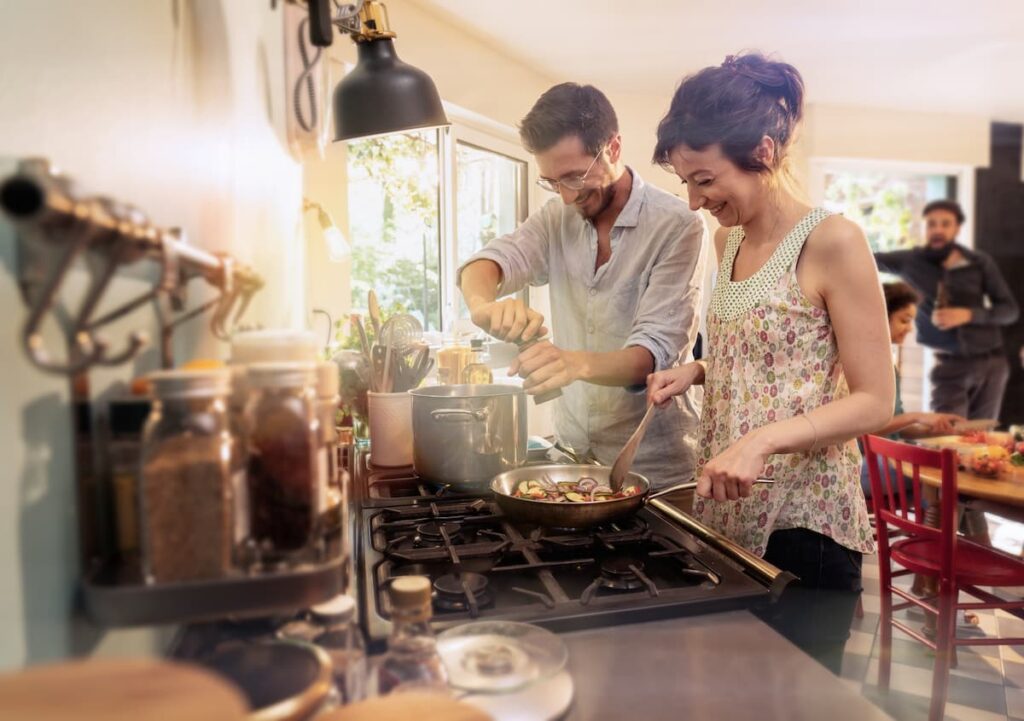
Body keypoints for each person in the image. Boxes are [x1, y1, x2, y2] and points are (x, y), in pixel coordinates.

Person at [647, 52, 894, 674]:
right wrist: (697, 371)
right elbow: (767, 349)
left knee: (796, 702)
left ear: (762, 150)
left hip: (804, 520)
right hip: (727, 510)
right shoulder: (727, 239)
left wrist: (760, 441)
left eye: (704, 179)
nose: (696, 201)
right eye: (687, 183)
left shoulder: (832, 240)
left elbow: (874, 399)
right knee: (730, 689)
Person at [458, 83, 708, 487]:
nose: (566, 196)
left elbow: (654, 354)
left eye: (575, 176)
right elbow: (490, 262)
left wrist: (574, 363)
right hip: (573, 457)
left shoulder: (679, 224)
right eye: (552, 181)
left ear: (612, 148)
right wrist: (482, 305)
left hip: (655, 466)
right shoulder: (556, 217)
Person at [874, 200, 1019, 423]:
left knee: (980, 439)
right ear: (924, 227)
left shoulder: (979, 263)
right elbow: (867, 259)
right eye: (931, 224)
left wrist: (969, 314)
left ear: (957, 228)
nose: (938, 229)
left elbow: (1009, 310)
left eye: (945, 224)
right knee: (947, 434)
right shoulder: (909, 262)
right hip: (949, 365)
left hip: (993, 362)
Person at [858, 281, 965, 497]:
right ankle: (937, 528)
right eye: (904, 320)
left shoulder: (888, 362)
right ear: (880, 318)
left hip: (889, 460)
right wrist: (916, 416)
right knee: (955, 476)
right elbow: (861, 431)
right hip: (865, 468)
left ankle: (942, 527)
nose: (909, 328)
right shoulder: (865, 363)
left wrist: (930, 428)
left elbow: (895, 426)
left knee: (961, 475)